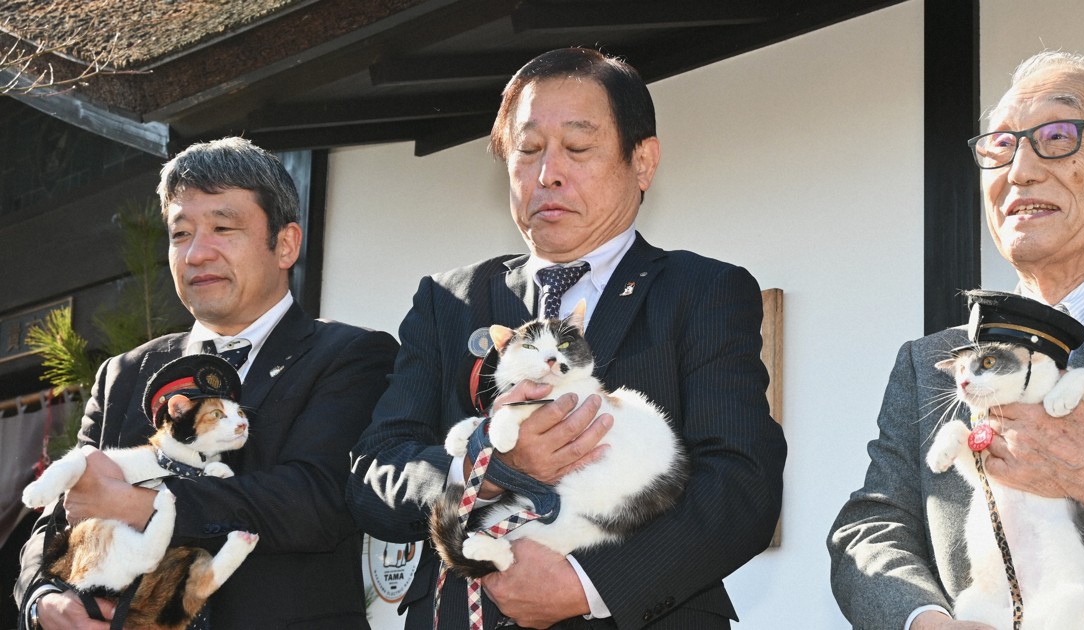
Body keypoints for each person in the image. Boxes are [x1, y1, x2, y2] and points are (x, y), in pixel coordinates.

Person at [346, 47, 786, 629]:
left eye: (577, 148)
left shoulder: (701, 291)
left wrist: (588, 584)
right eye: (527, 150)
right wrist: (488, 467)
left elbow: (742, 483)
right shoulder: (448, 300)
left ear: (643, 162)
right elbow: (376, 474)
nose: (547, 173)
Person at [828, 51, 1084, 629]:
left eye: (1058, 136)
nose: (1020, 170)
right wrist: (923, 620)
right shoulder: (932, 361)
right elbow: (872, 526)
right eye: (1001, 145)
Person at [14, 137, 399, 629]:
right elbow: (56, 513)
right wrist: (43, 599)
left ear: (285, 244)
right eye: (181, 234)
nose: (196, 253)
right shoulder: (125, 375)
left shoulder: (349, 355)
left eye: (222, 228)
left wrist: (147, 506)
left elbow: (317, 499)